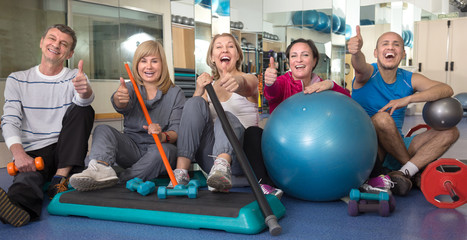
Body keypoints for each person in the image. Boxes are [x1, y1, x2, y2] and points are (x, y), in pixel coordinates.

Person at [0, 24, 95, 227]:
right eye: (52, 39)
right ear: (42, 42)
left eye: (63, 44)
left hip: (66, 151)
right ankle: (20, 210)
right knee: (26, 182)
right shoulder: (17, 79)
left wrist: (85, 92)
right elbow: (9, 120)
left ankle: (60, 178)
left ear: (70, 53)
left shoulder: (76, 78)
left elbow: (85, 101)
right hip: (35, 153)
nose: (56, 45)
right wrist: (19, 155)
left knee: (84, 109)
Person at [348, 26, 459, 196]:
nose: (391, 47)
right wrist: (356, 53)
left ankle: (403, 172)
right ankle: (413, 170)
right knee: (382, 119)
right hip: (371, 148)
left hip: (397, 143)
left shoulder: (409, 79)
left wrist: (407, 99)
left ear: (403, 53)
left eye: (396, 44)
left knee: (451, 132)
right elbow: (359, 66)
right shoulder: (368, 73)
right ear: (376, 53)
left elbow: (446, 89)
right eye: (385, 44)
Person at [169, 33, 278, 196]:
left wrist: (237, 82)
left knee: (226, 116)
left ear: (238, 55)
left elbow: (248, 86)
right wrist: (199, 89)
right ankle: (181, 173)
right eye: (219, 47)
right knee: (193, 103)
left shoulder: (250, 78)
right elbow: (192, 118)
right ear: (212, 57)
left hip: (242, 158)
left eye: (230, 46)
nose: (224, 49)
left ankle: (224, 166)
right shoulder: (209, 86)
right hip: (211, 160)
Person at [69, 40, 185, 192]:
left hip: (158, 151)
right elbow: (120, 103)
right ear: (137, 64)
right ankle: (101, 168)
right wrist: (120, 98)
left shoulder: (176, 93)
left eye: (154, 61)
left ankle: (121, 179)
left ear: (162, 64)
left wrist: (162, 135)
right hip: (131, 148)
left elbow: (175, 132)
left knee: (167, 150)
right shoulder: (130, 87)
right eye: (143, 61)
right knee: (102, 129)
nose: (148, 66)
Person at [264, 38, 351, 113]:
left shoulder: (321, 85)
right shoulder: (283, 82)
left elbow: (349, 103)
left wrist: (331, 84)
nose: (299, 60)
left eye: (305, 55)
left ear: (314, 60)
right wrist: (270, 84)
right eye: (294, 56)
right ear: (289, 62)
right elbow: (271, 93)